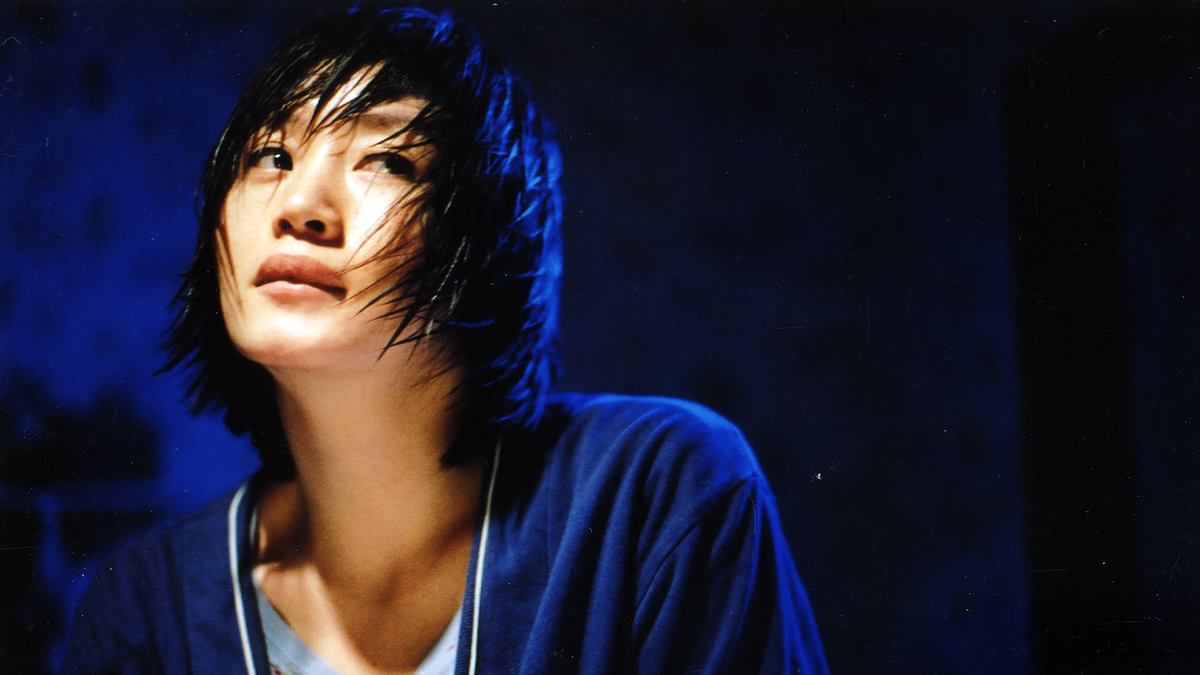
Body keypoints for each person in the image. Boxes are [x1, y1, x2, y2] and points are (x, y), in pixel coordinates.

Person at [61, 6, 828, 674]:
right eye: (271, 156)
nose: (300, 204)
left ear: (486, 244)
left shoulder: (656, 491)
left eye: (387, 160)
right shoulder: (141, 607)